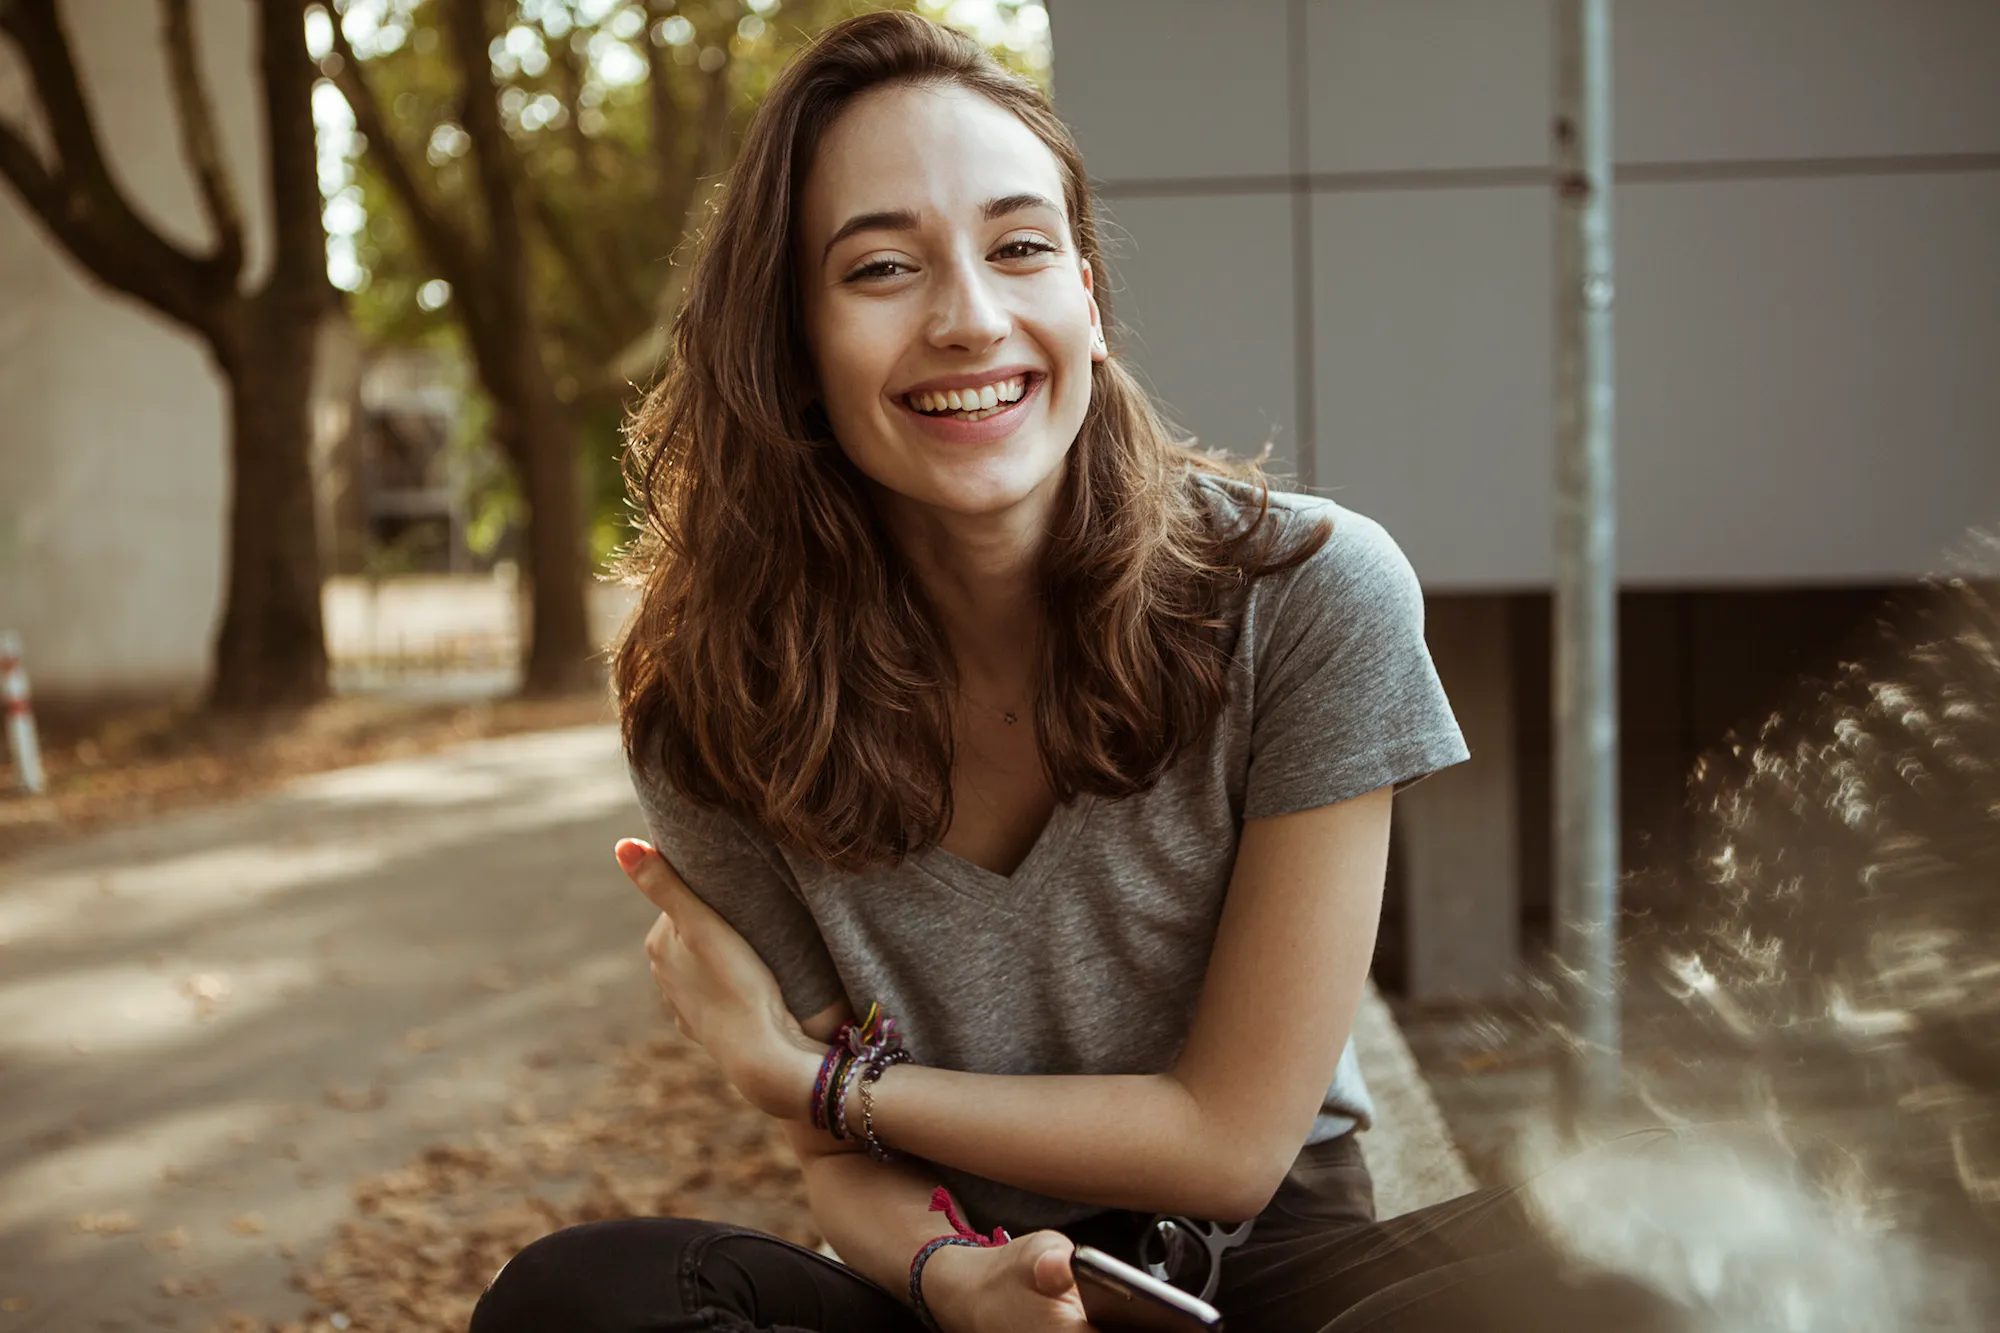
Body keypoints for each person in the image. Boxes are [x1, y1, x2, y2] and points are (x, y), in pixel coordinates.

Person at [470, 12, 1685, 1333]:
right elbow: (840, 1176)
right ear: (796, 347)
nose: (971, 317)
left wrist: (818, 1080)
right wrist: (956, 1279)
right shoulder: (717, 697)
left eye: (1020, 248)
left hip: (1266, 1278)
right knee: (578, 1298)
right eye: (882, 268)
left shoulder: (1308, 597)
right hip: (965, 1287)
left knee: (1625, 1258)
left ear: (1088, 302)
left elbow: (1229, 1142)